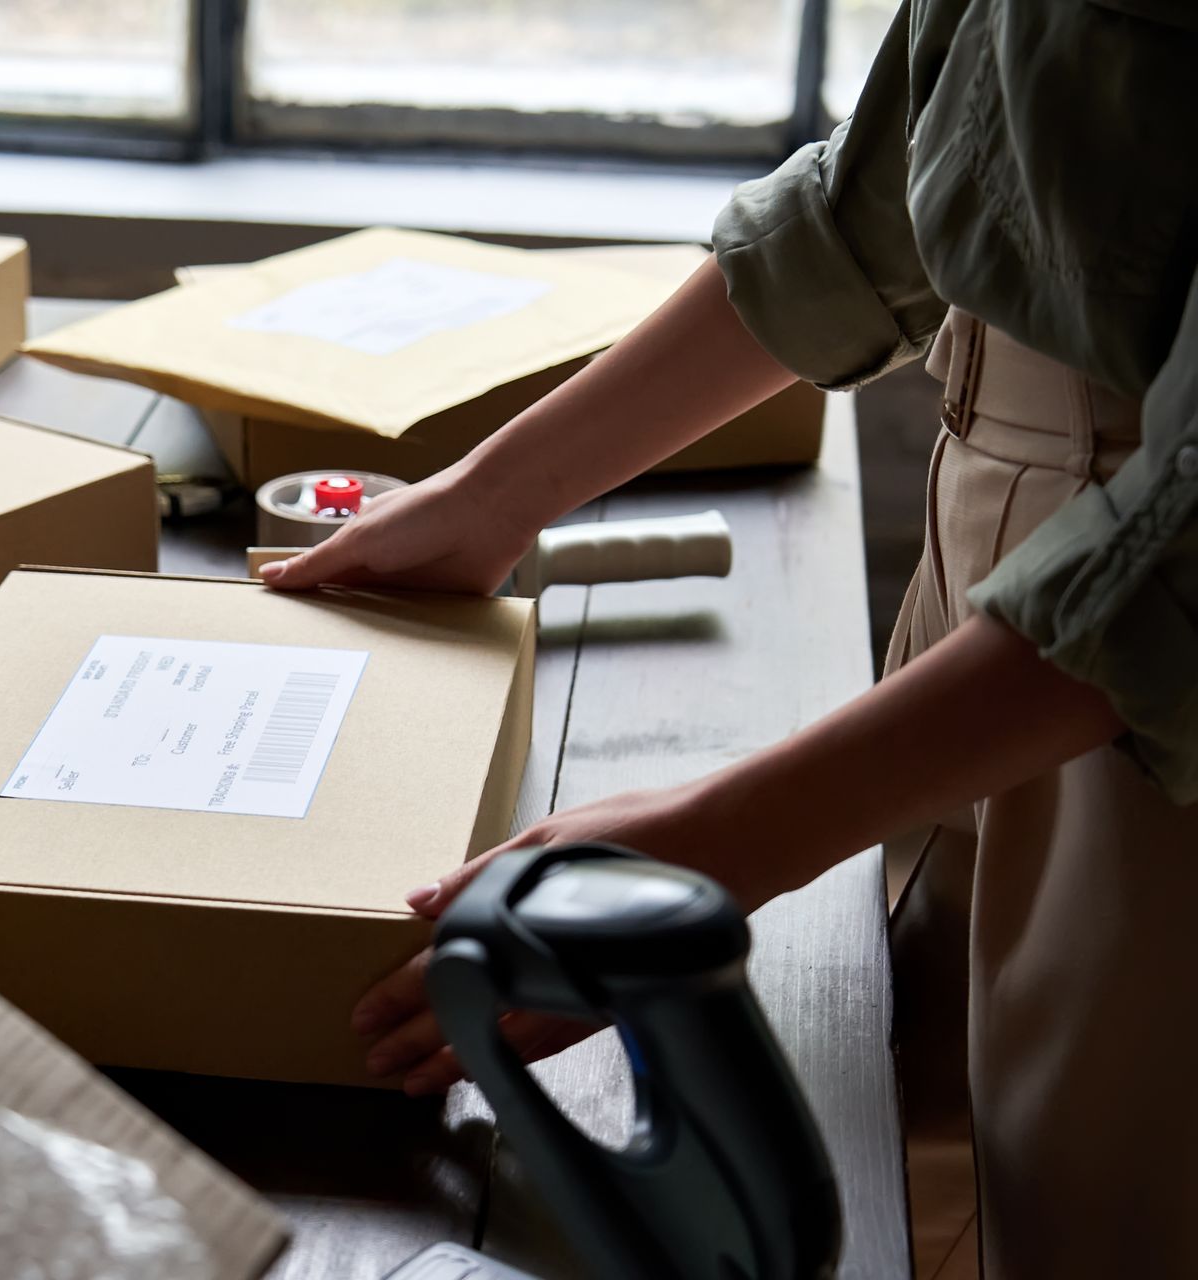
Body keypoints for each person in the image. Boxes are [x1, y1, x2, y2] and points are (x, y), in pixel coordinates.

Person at [259, 1, 1198, 1275]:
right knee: (933, 1154)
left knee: (1089, 1216)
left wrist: (715, 839)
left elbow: (1177, 545)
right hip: (991, 605)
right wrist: (490, 498)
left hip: (1145, 695)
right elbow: (882, 200)